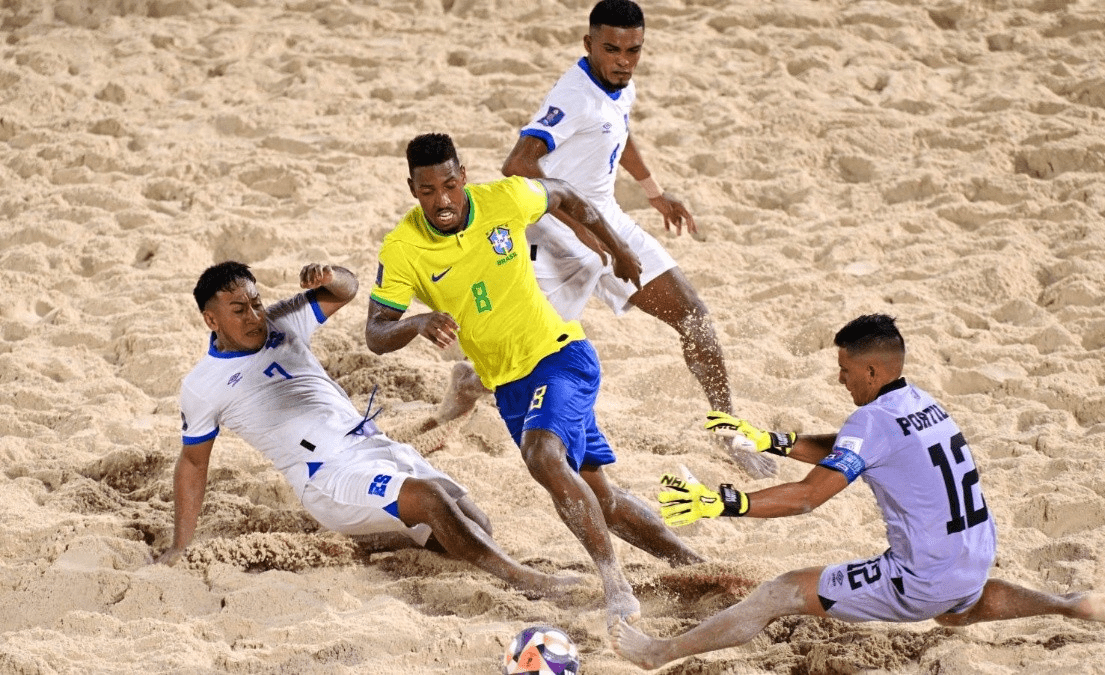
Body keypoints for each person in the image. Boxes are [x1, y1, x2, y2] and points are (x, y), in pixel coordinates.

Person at [610, 314, 1105, 669]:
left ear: (874, 371)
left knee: (779, 591)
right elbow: (852, 448)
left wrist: (724, 502)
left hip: (922, 577)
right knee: (957, 608)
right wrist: (773, 441)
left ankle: (657, 653)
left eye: (846, 370)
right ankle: (1068, 604)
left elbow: (809, 498)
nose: (840, 379)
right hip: (976, 553)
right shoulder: (920, 402)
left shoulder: (872, 419)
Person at [364, 133, 703, 626]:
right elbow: (376, 332)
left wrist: (617, 247)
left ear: (463, 177)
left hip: (561, 355)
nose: (442, 200)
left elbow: (564, 192)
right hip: (509, 385)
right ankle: (696, 567)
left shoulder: (503, 199)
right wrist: (415, 323)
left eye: (451, 185)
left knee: (541, 455)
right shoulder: (402, 248)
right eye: (428, 190)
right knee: (601, 500)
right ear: (413, 188)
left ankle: (617, 588)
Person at [437, 0, 776, 480]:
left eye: (633, 50)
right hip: (551, 238)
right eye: (612, 49)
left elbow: (622, 130)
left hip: (607, 221)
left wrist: (655, 194)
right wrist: (583, 228)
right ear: (588, 45)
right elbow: (516, 165)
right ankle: (469, 382)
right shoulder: (574, 96)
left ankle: (728, 432)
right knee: (519, 363)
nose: (623, 60)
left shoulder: (619, 84)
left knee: (693, 316)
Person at [156, 260, 577, 596]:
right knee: (432, 501)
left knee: (474, 524)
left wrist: (328, 274)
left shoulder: (280, 323)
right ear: (212, 321)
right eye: (239, 310)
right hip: (327, 476)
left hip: (374, 446)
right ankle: (524, 579)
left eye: (256, 303)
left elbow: (346, 289)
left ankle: (375, 537)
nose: (253, 316)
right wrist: (180, 545)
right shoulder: (202, 385)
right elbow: (193, 463)